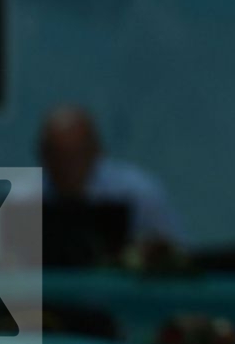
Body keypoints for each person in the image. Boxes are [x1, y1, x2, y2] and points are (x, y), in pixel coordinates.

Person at [33, 105, 186, 248]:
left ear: (97, 151)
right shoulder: (22, 198)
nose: (67, 166)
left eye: (77, 155)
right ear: (42, 154)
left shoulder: (139, 194)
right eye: (58, 156)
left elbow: (174, 252)